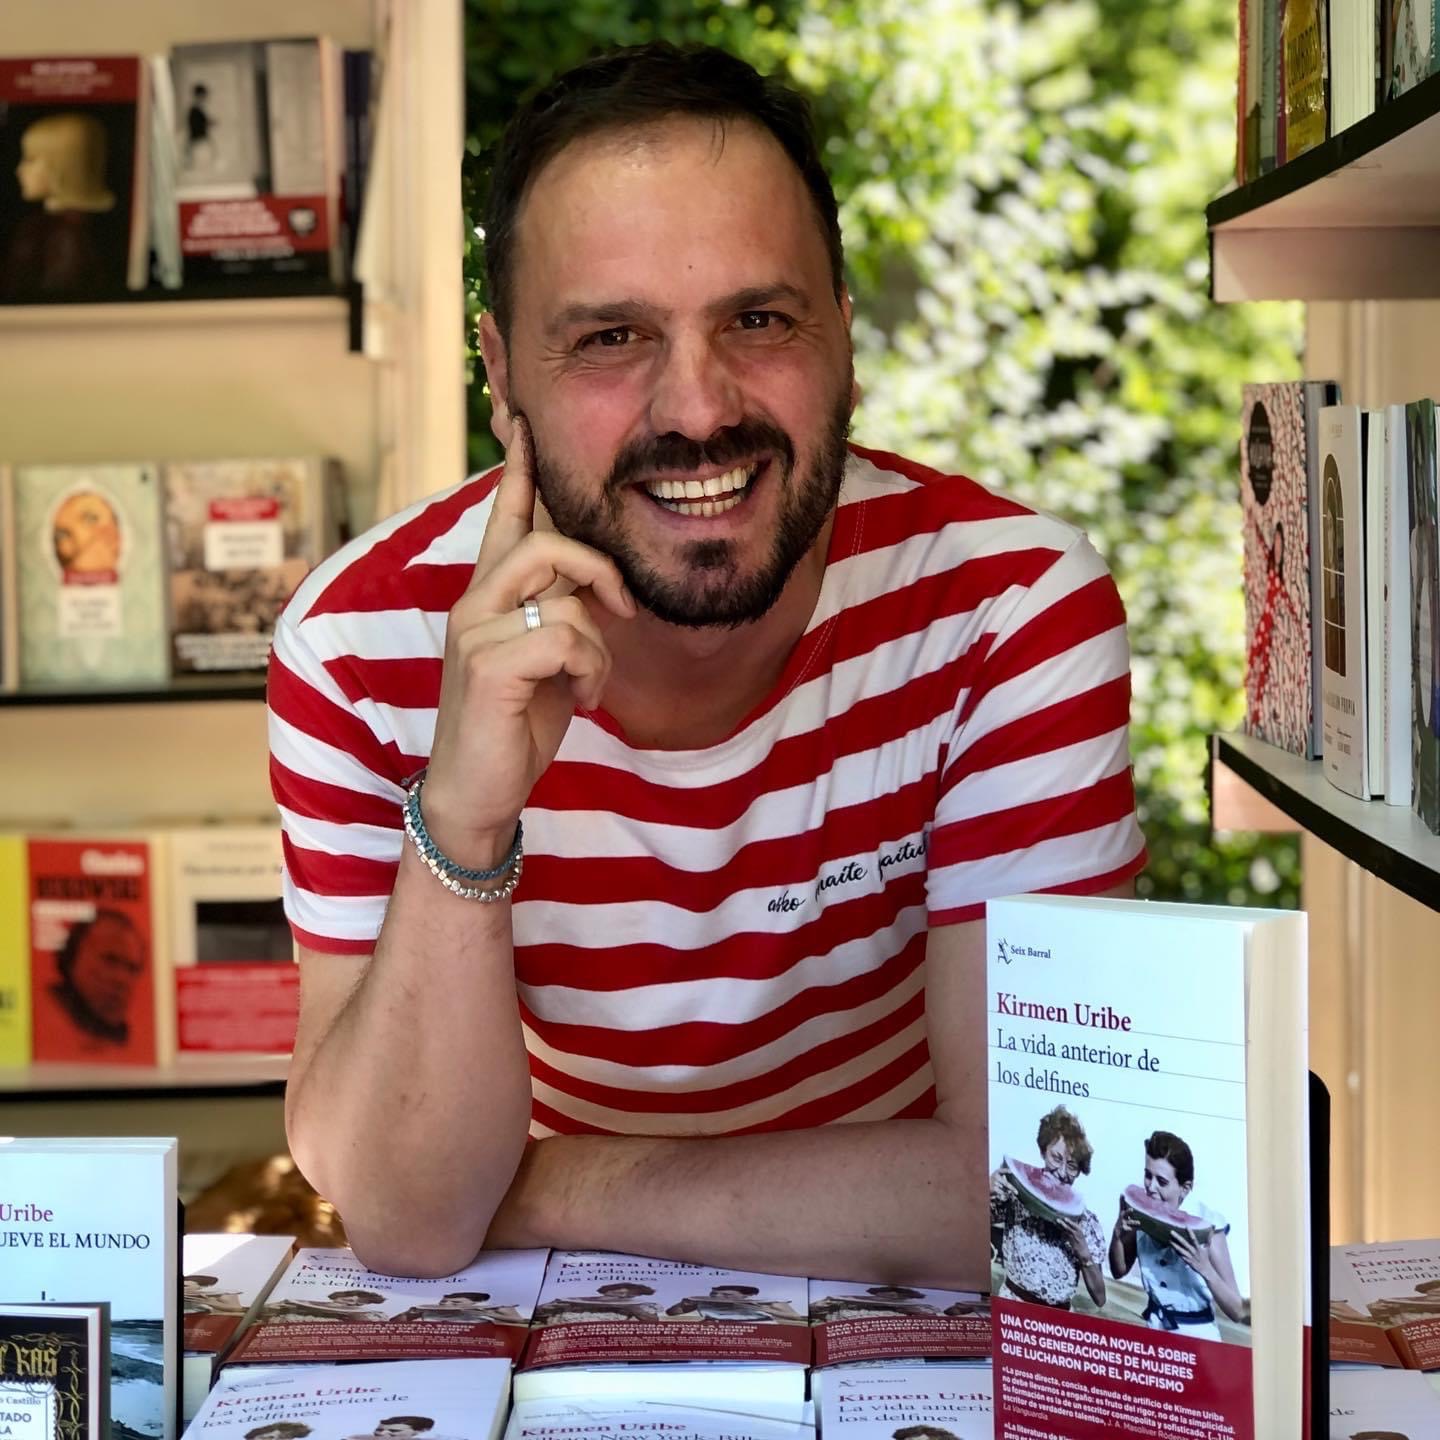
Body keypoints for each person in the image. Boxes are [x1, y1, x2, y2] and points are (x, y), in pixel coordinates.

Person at [271, 41, 1145, 1285]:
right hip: (550, 1314)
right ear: (502, 371)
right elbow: (407, 1217)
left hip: (889, 1311)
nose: (695, 407)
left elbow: (1037, 1186)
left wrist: (548, 1179)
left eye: (758, 319)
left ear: (844, 331)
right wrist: (461, 819)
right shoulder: (361, 646)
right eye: (612, 337)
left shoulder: (1006, 611)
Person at [1107, 1130, 1245, 1339]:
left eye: (1161, 1181)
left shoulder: (1209, 1226)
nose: (1150, 1187)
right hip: (1154, 1330)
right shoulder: (1140, 1213)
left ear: (1185, 1187)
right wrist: (1117, 1236)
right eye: (1147, 1175)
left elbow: (1237, 1310)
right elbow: (1119, 1271)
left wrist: (1204, 1268)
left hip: (1199, 1339)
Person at [990, 1106, 1107, 1310]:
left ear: (1080, 1171)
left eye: (1072, 1166)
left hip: (1058, 1321)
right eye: (1056, 1158)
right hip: (1012, 1307)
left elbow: (1100, 1298)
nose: (1062, 1172)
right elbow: (970, 1225)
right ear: (1043, 1151)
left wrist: (1083, 1252)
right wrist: (986, 1190)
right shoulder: (1015, 1195)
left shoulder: (1088, 1222)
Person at [40, 909, 145, 1048]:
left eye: (132, 969)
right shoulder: (45, 1008)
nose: (122, 980)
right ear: (72, 957)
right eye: (110, 960)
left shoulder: (122, 1039)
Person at [532, 1281, 661, 1325]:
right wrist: (552, 1306)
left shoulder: (639, 1305)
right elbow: (539, 1314)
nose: (622, 1296)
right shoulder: (574, 1300)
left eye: (629, 1294)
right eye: (619, 1292)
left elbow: (653, 1321)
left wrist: (632, 1309)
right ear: (607, 1290)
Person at [664, 1284, 803, 1323]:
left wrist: (760, 1308)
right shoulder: (703, 1302)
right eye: (715, 1294)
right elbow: (671, 1313)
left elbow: (795, 1318)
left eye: (726, 1295)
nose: (719, 1297)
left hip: (759, 1332)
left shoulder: (768, 1302)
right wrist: (683, 1305)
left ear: (746, 1295)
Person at [389, 1290, 526, 1325]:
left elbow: (518, 1321)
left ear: (472, 1303)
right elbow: (393, 1323)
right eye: (444, 1302)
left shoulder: (491, 1309)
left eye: (456, 1303)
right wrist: (408, 1314)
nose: (447, 1305)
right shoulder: (426, 1310)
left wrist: (483, 1312)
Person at [810, 1285, 941, 1320]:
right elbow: (814, 1310)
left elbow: (934, 1316)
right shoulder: (845, 1302)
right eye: (888, 1292)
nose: (892, 1295)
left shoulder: (917, 1308)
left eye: (897, 1294)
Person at [261, 1288, 387, 1322]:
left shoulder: (365, 1314)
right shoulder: (302, 1302)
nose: (351, 1302)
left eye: (357, 1302)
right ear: (339, 1296)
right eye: (349, 1298)